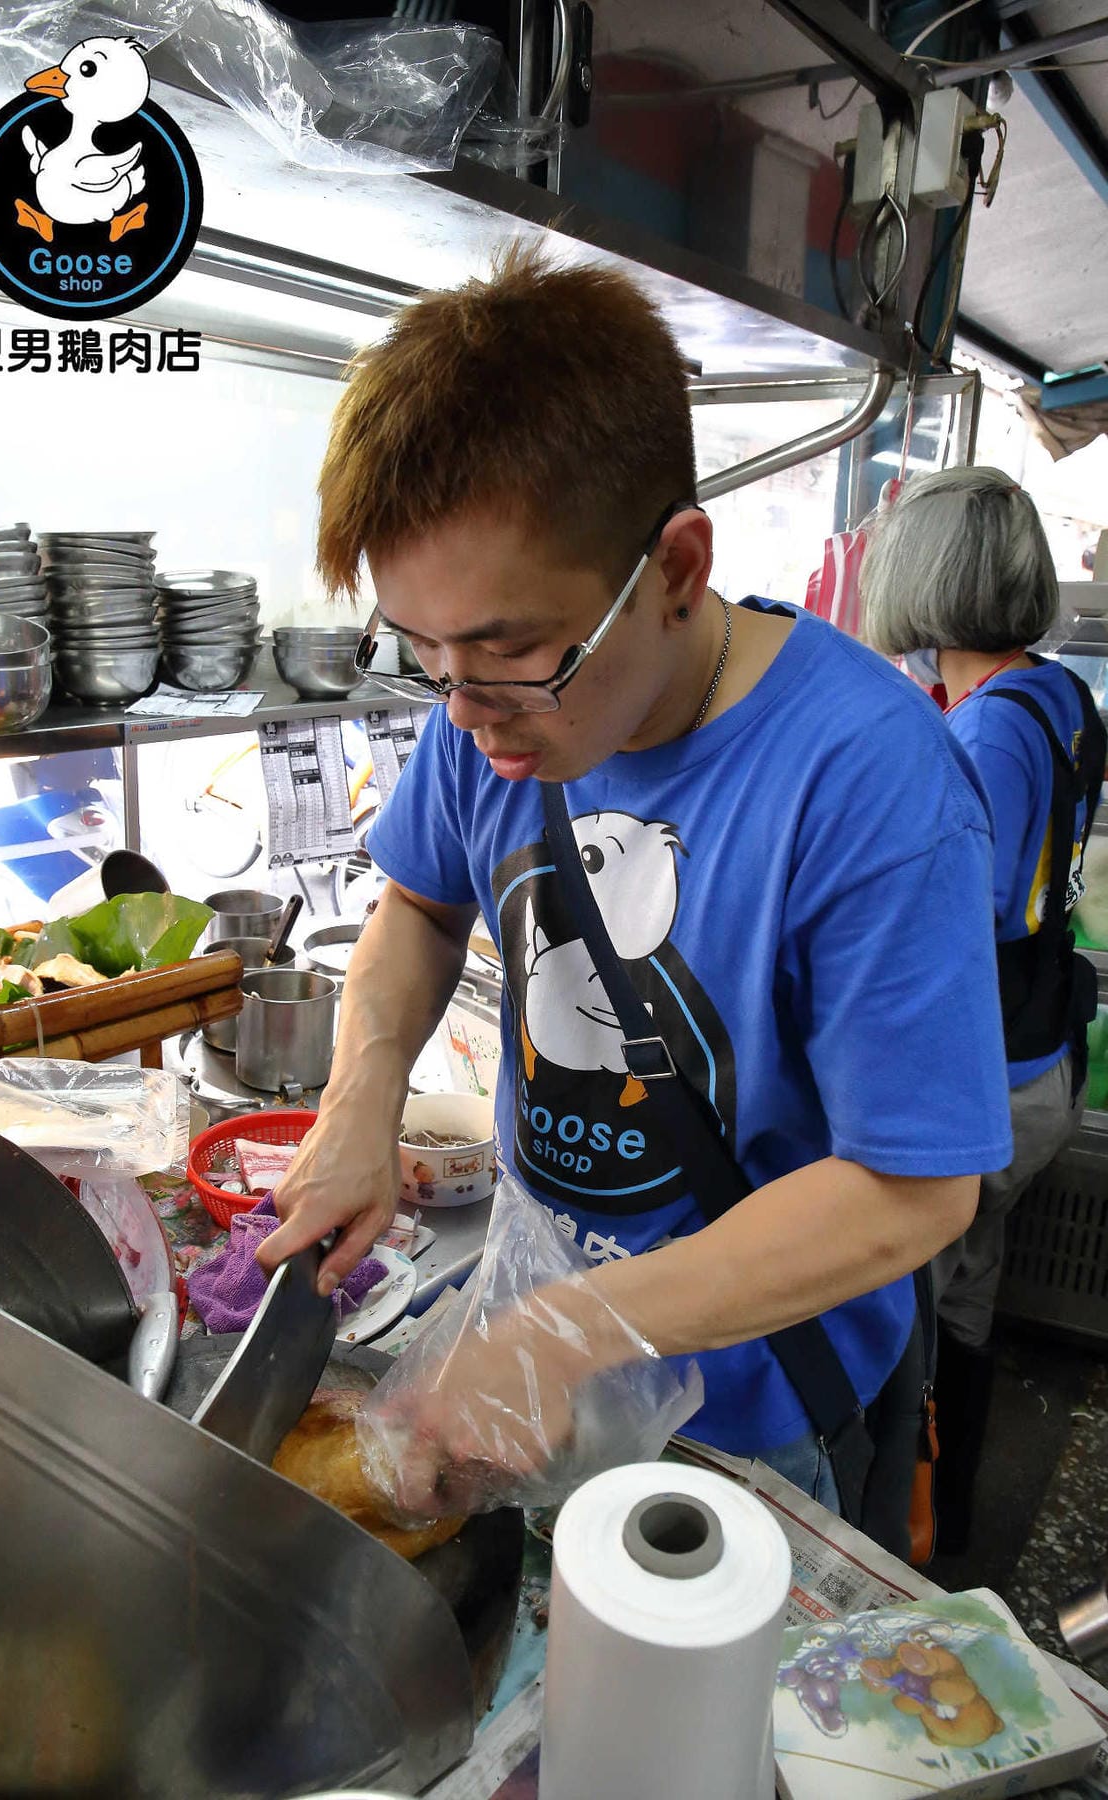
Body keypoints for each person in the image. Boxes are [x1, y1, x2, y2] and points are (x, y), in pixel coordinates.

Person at [259, 248, 1013, 1547]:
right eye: (423, 651)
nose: (466, 713)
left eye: (509, 649)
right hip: (538, 1334)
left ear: (676, 567)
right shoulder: (482, 716)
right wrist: (359, 1102)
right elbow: (421, 906)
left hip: (752, 1414)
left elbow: (915, 1189)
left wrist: (572, 1331)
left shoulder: (871, 781)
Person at [860, 465, 1106, 1554]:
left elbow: (971, 912)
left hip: (988, 1079)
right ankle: (949, 1523)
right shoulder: (1054, 695)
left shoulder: (987, 732)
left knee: (904, 1309)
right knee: (965, 1290)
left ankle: (906, 1530)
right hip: (1043, 1059)